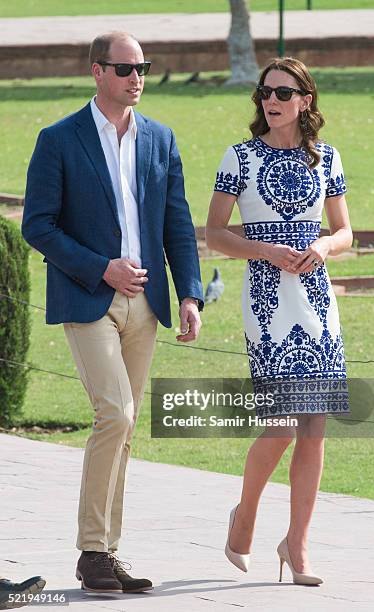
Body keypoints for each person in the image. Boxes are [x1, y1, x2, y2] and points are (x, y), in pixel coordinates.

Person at [22, 31, 203, 594]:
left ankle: (106, 553)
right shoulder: (58, 139)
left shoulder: (160, 139)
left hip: (146, 304)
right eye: (125, 69)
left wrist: (190, 294)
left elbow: (177, 221)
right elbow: (38, 225)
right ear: (97, 71)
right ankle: (92, 551)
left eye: (143, 67)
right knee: (116, 415)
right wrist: (102, 267)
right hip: (89, 298)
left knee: (123, 432)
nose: (137, 77)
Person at [206, 57, 352, 585]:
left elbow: (344, 233)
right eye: (266, 92)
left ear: (305, 101)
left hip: (315, 301)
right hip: (267, 300)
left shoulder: (326, 158)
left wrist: (320, 245)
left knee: (314, 428)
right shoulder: (239, 158)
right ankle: (244, 514)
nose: (272, 100)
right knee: (284, 423)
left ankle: (297, 545)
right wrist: (265, 250)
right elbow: (215, 234)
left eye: (284, 93)